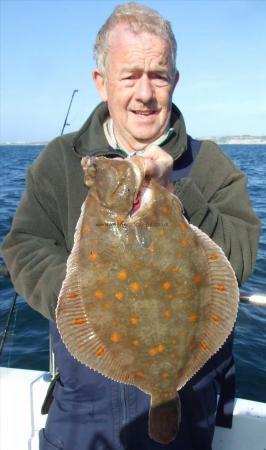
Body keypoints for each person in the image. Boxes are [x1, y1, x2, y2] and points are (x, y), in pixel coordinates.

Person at [2, 3, 260, 450]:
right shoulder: (59, 160)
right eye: (130, 75)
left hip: (188, 402)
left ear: (175, 81)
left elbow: (240, 258)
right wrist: (76, 297)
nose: (145, 92)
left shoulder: (211, 165)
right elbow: (24, 245)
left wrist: (179, 197)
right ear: (101, 82)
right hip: (84, 410)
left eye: (158, 75)